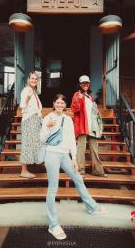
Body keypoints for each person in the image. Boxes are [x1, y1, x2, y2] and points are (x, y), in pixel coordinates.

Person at [40, 94, 107, 240]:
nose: (60, 105)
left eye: (62, 103)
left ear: (65, 105)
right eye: (57, 102)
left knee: (78, 178)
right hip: (51, 154)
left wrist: (74, 158)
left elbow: (71, 140)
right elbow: (42, 139)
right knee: (53, 189)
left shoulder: (68, 120)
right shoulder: (48, 118)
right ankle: (53, 225)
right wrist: (47, 127)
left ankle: (92, 207)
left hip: (65, 156)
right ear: (54, 103)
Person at [71, 75, 107, 177]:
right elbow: (74, 109)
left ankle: (98, 171)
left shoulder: (90, 97)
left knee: (94, 149)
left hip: (92, 126)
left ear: (89, 84)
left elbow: (94, 112)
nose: (85, 85)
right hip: (82, 126)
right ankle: (80, 171)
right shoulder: (77, 94)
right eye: (83, 83)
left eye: (87, 83)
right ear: (80, 85)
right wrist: (78, 99)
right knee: (81, 150)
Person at [19, 71, 42, 179]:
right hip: (29, 119)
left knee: (34, 143)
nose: (34, 80)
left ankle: (31, 164)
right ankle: (23, 171)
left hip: (34, 119)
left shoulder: (33, 91)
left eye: (35, 79)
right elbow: (22, 105)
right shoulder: (27, 90)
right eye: (32, 78)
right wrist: (28, 97)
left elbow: (37, 108)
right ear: (29, 79)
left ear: (37, 81)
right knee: (27, 144)